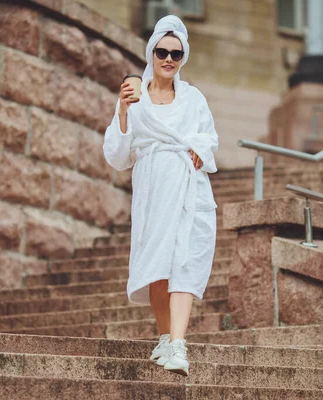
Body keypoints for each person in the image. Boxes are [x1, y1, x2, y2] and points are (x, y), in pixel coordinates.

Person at [103, 15, 218, 377]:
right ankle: (166, 338)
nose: (169, 59)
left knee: (183, 259)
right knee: (158, 268)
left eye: (176, 54)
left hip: (186, 185)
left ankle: (180, 347)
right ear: (151, 52)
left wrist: (199, 148)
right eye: (162, 51)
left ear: (183, 58)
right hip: (152, 187)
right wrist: (123, 112)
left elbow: (208, 137)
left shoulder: (193, 99)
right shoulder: (134, 99)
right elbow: (119, 156)